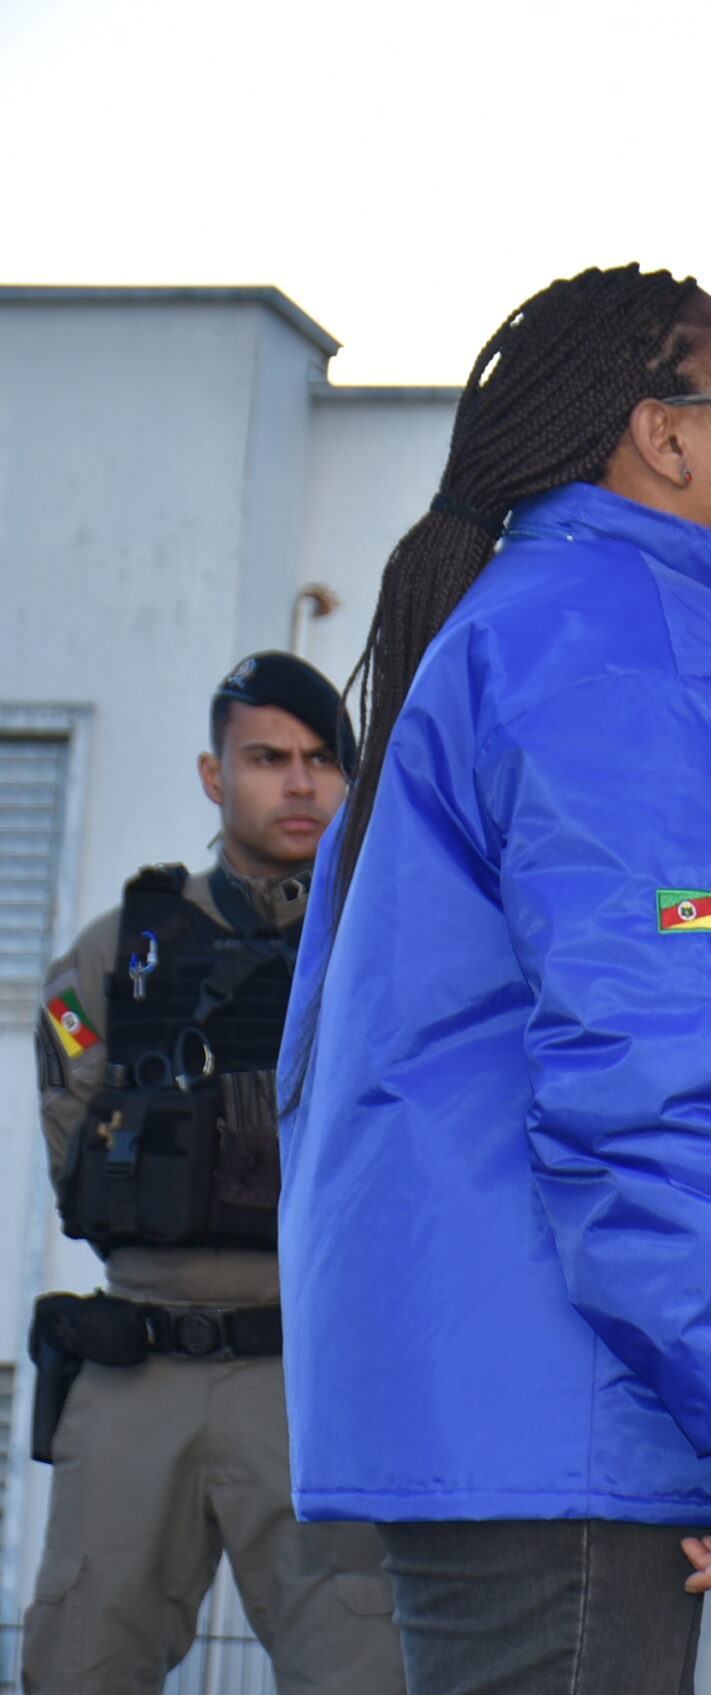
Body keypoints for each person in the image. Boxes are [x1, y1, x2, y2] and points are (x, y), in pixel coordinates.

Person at [278, 265, 711, 1695]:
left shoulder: (561, 625)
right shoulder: (635, 654)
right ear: (664, 436)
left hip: (526, 1386)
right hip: (577, 1396)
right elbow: (656, 1057)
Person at [24, 652, 403, 1695]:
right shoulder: (117, 951)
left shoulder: (390, 944)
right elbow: (70, 1125)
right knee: (81, 1661)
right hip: (137, 1368)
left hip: (314, 1378)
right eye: (268, 758)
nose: (299, 783)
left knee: (366, 1670)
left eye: (323, 759)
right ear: (212, 773)